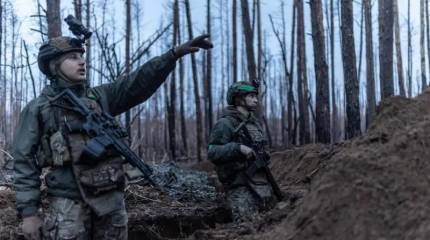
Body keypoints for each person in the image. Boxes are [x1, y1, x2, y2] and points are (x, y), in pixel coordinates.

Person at [13, 30, 212, 239]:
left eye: (82, 56)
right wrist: (29, 213)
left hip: (111, 202)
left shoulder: (99, 97)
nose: (82, 62)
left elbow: (137, 83)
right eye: (73, 57)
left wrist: (172, 55)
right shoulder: (39, 108)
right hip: (67, 206)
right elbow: (24, 160)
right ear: (54, 66)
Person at [207, 81, 278, 222]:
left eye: (255, 96)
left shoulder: (254, 123)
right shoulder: (225, 123)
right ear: (239, 98)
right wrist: (238, 148)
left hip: (261, 182)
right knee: (246, 221)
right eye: (251, 96)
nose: (256, 100)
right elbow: (212, 152)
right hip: (239, 184)